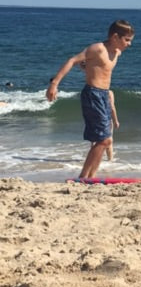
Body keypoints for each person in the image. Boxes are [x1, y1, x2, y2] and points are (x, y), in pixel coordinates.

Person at [46, 20, 135, 179]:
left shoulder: (117, 53)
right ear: (115, 36)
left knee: (104, 141)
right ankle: (82, 177)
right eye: (127, 40)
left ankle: (90, 177)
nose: (129, 44)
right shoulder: (98, 48)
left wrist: (87, 68)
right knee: (104, 140)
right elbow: (73, 60)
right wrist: (54, 84)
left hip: (104, 95)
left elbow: (96, 68)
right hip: (92, 94)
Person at [102, 89, 120, 162]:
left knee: (95, 142)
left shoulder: (92, 92)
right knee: (109, 140)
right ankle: (110, 161)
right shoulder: (109, 92)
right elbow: (112, 107)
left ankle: (95, 161)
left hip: (95, 118)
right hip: (106, 118)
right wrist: (116, 120)